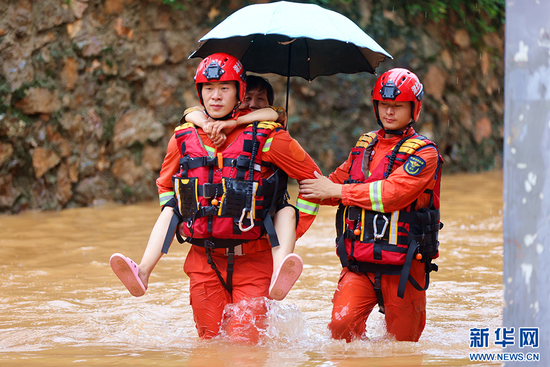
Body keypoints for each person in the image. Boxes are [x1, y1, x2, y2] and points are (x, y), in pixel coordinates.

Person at [110, 53, 321, 340]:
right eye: (209, 89)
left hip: (255, 260)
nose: (216, 96)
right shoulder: (183, 137)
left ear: (239, 92)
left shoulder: (270, 136)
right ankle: (143, 270)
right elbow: (164, 186)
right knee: (209, 345)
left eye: (224, 88)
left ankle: (280, 270)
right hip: (204, 260)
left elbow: (313, 181)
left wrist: (291, 233)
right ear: (200, 93)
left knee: (242, 349)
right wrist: (182, 219)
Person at [299, 68, 443, 342]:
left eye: (397, 106)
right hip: (359, 263)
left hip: (404, 265)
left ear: (415, 109)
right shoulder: (365, 145)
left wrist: (338, 190)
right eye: (383, 105)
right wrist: (293, 162)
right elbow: (329, 188)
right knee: (341, 329)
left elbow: (391, 195)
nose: (389, 112)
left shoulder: (425, 153)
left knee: (403, 348)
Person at [182, 75, 298, 301]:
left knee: (288, 212)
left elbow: (275, 113)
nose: (253, 104)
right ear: (236, 100)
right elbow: (190, 112)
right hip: (209, 251)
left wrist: (293, 233)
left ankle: (280, 268)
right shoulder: (207, 126)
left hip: (256, 242)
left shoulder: (272, 131)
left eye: (260, 99)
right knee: (209, 337)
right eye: (247, 98)